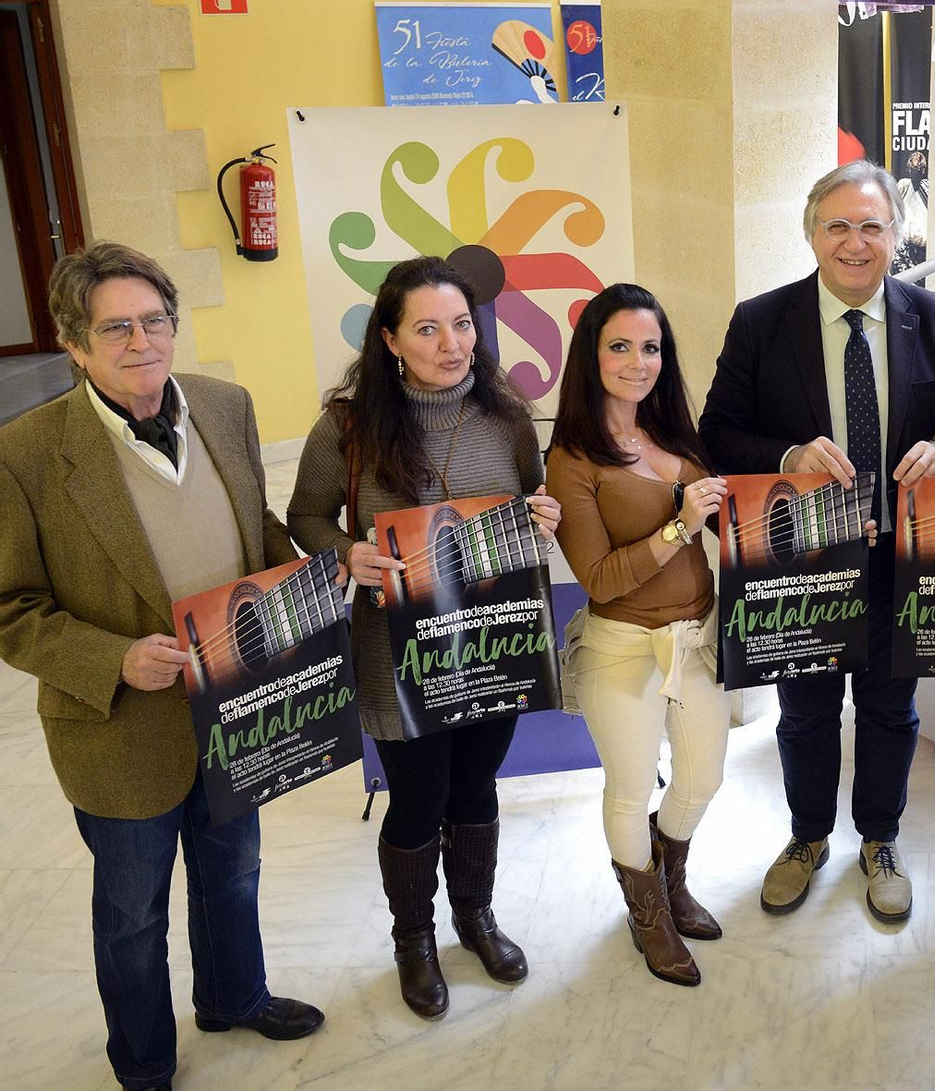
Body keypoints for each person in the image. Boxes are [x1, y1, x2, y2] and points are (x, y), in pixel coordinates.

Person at [0, 242, 324, 1091]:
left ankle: (234, 996)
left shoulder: (225, 404)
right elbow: (10, 606)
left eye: (154, 321)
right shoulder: (25, 452)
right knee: (132, 916)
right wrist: (114, 658)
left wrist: (302, 583)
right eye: (116, 328)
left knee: (234, 873)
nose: (141, 341)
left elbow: (255, 526)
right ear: (75, 344)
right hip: (118, 730)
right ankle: (143, 1064)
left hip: (235, 705)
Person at [699, 159, 935, 923]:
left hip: (901, 557)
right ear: (811, 235)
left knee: (891, 710)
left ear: (896, 235)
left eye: (871, 226)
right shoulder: (761, 321)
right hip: (803, 559)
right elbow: (716, 431)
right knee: (805, 712)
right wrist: (787, 457)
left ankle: (881, 838)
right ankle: (807, 836)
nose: (855, 243)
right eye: (838, 226)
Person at [287, 255, 561, 1019]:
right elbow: (305, 516)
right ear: (390, 339)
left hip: (492, 641)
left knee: (476, 785)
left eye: (463, 325)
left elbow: (532, 504)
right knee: (417, 797)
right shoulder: (347, 427)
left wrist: (544, 518)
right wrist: (347, 553)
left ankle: (476, 916)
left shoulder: (508, 418)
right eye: (428, 329)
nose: (452, 344)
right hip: (398, 650)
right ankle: (414, 938)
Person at [545, 283, 732, 987]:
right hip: (621, 650)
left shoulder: (676, 435)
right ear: (591, 356)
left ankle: (664, 873)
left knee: (703, 776)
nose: (637, 362)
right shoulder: (571, 458)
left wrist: (820, 525)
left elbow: (730, 522)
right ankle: (648, 914)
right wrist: (680, 525)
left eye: (650, 347)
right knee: (628, 790)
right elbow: (599, 578)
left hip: (698, 639)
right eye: (619, 346)